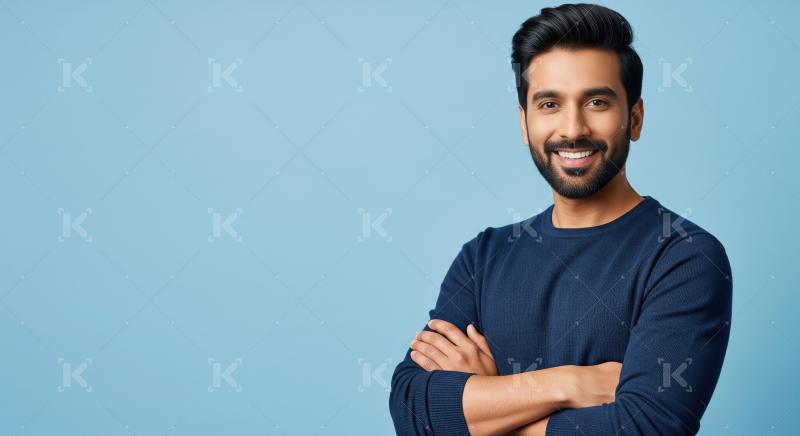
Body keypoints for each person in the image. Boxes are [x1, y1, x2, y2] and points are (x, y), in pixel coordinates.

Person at [388, 3, 732, 435]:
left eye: (597, 102)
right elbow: (412, 414)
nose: (572, 129)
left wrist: (486, 407)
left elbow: (646, 428)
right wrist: (569, 384)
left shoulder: (685, 257)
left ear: (635, 118)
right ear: (524, 123)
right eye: (549, 104)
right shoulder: (483, 257)